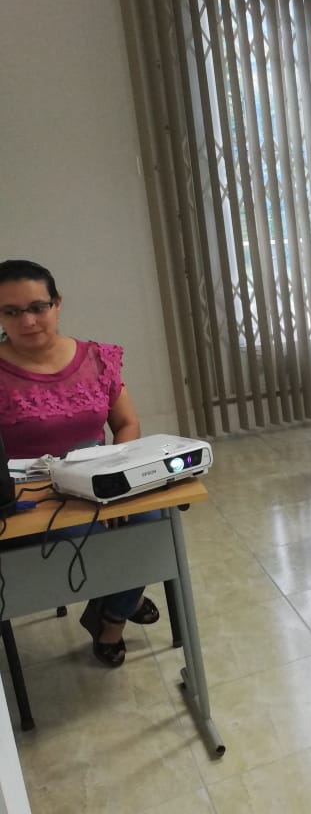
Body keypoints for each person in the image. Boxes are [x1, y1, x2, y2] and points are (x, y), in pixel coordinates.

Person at [0, 259, 161, 667]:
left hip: (101, 486)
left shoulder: (97, 358)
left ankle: (110, 616)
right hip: (31, 503)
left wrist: (116, 484)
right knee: (93, 542)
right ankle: (125, 598)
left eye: (38, 307)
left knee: (151, 520)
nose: (28, 321)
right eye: (11, 311)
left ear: (57, 303)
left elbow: (126, 423)